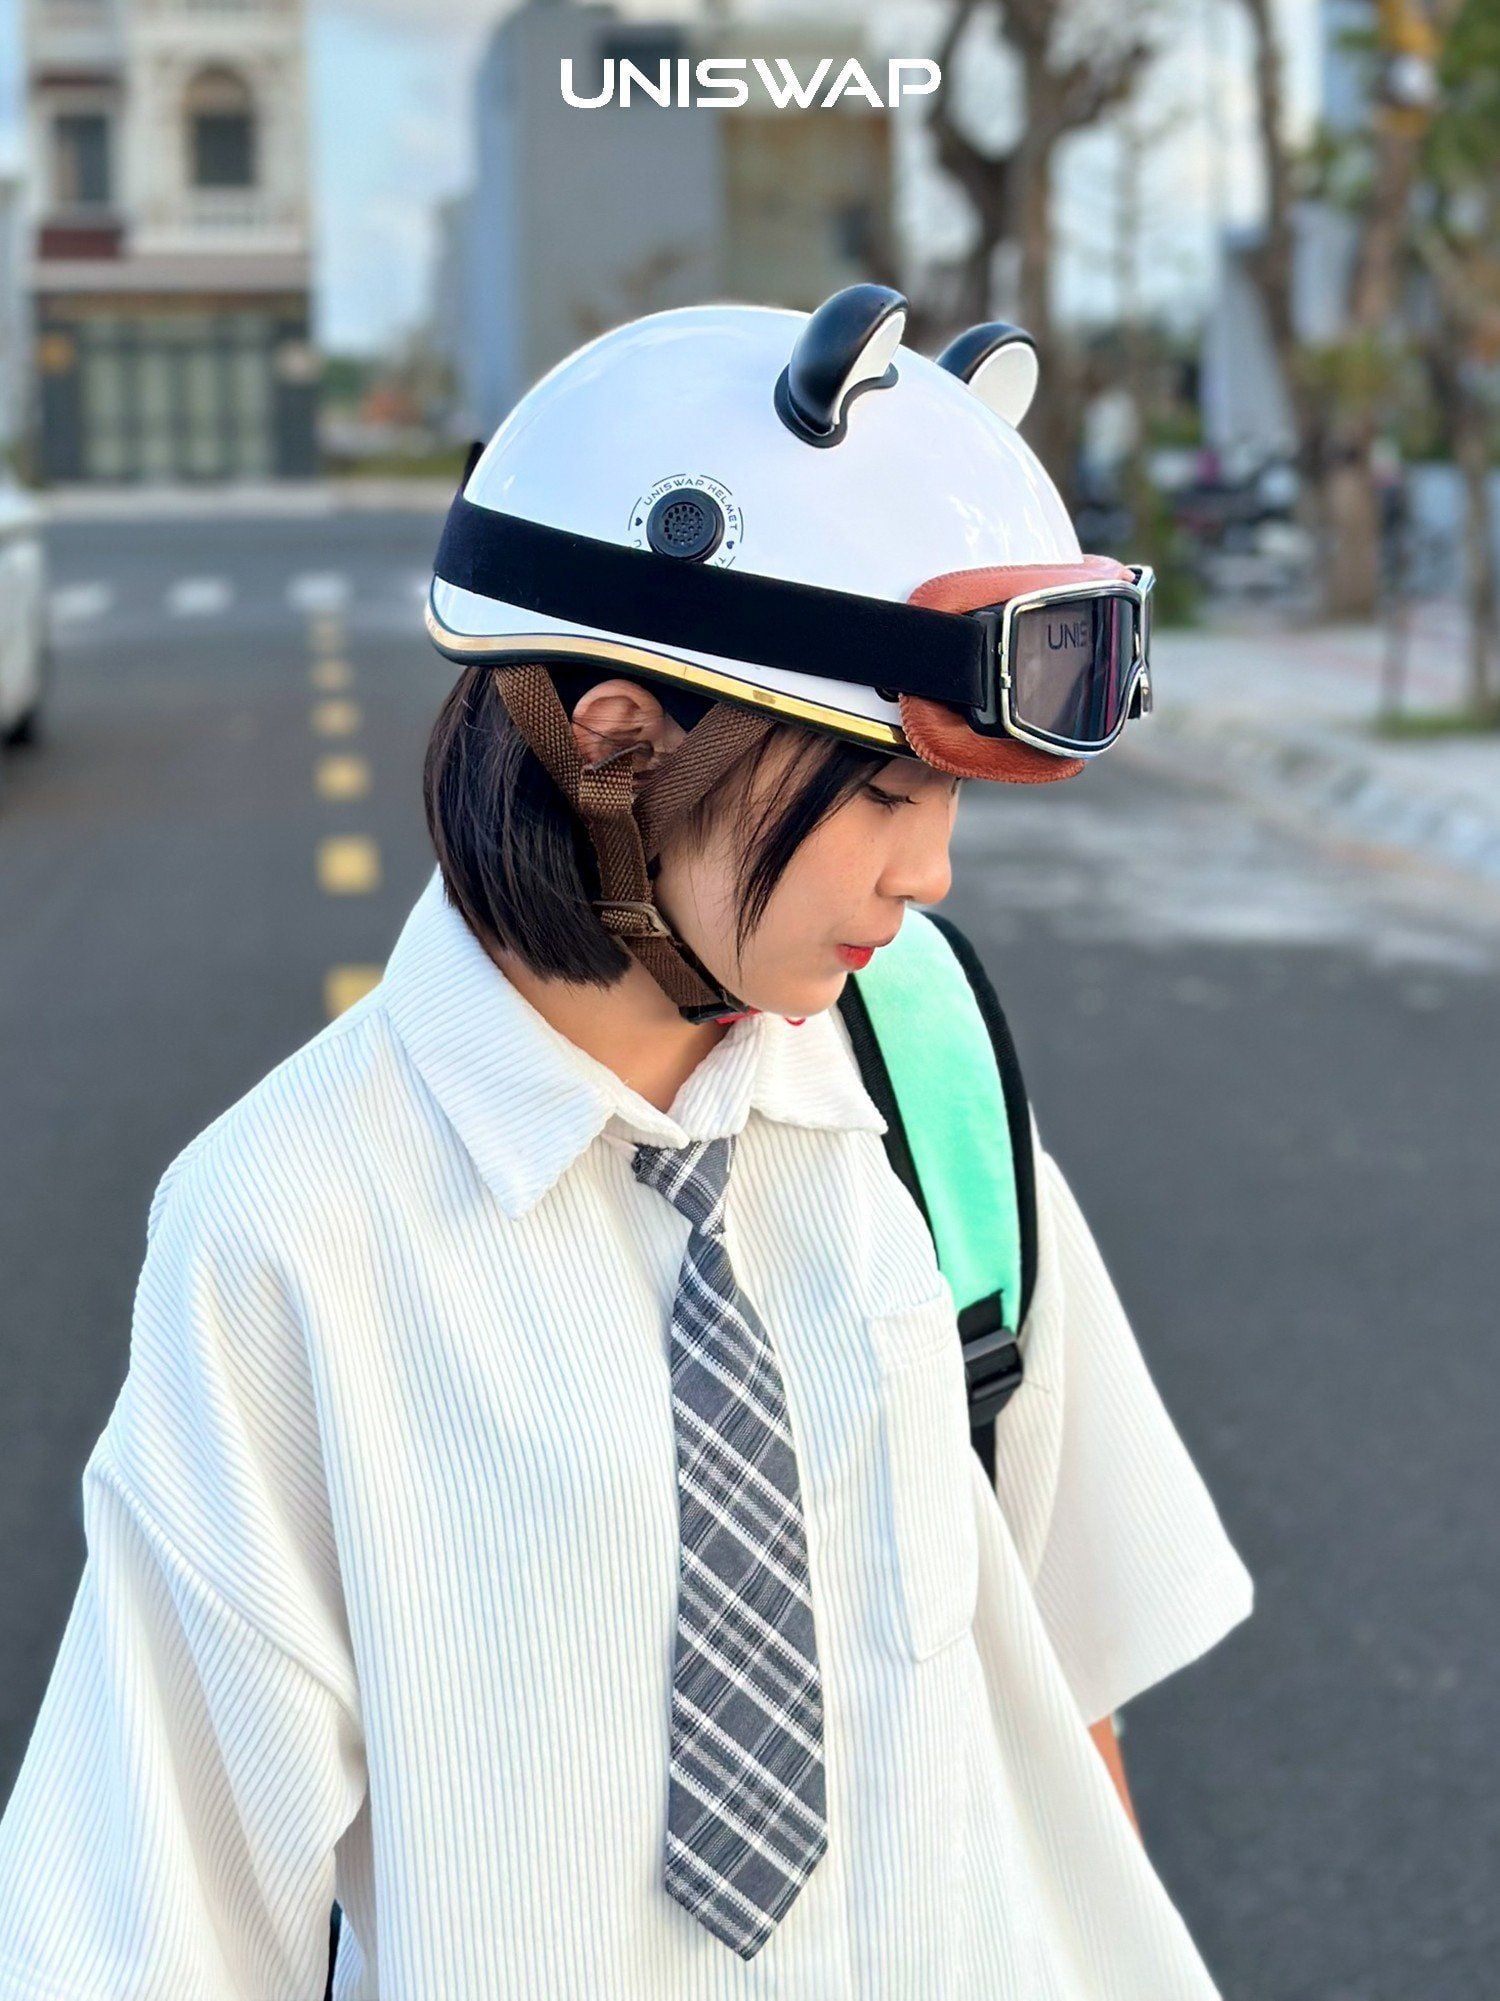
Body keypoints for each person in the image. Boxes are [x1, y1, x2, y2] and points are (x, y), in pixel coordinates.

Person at [0, 289, 1253, 1999]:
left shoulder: (924, 1068)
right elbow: (157, 1918)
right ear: (616, 744)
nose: (930, 871)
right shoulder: (288, 1229)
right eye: (886, 793)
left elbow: (1059, 1698)